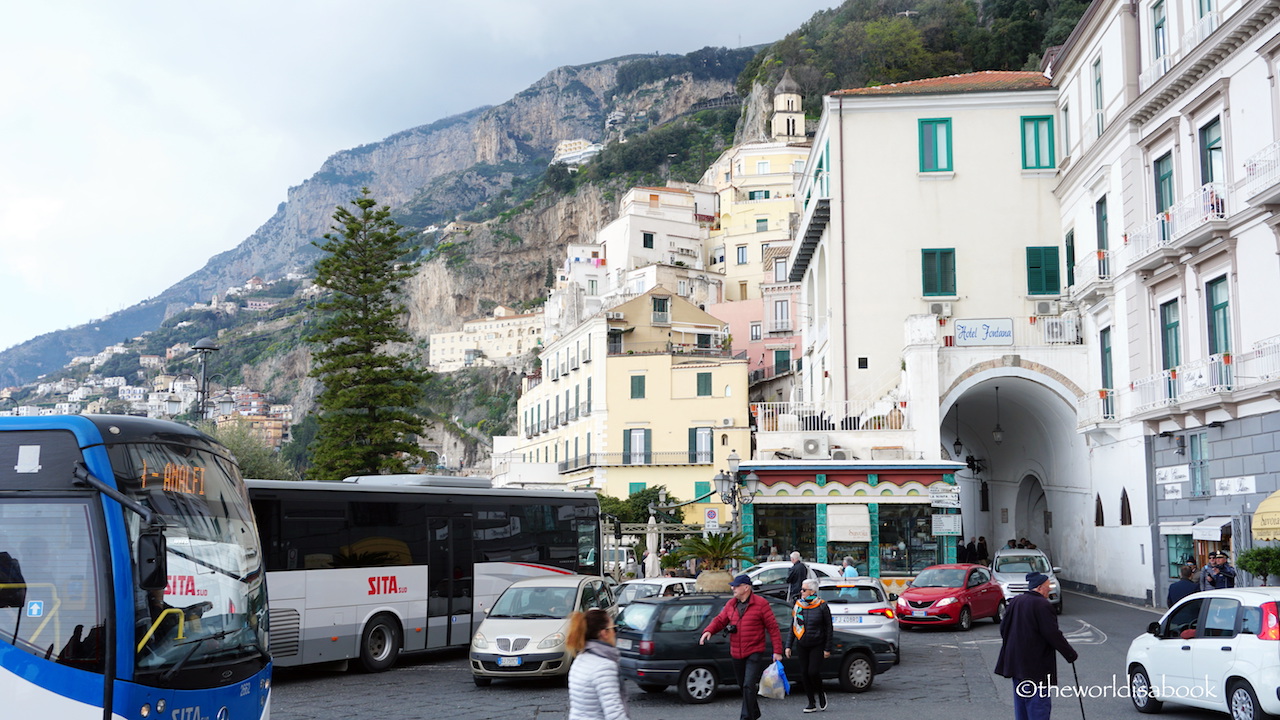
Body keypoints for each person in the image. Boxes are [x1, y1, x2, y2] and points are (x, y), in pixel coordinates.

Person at [994, 572, 1079, 720]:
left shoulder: (1016, 601)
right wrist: (1070, 654)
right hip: (1036, 664)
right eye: (1048, 587)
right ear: (1039, 588)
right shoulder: (1042, 605)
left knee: (1021, 703)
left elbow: (1004, 628)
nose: (1050, 590)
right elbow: (1052, 633)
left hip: (1016, 662)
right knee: (1038, 706)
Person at [700, 574, 783, 720]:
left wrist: (777, 651)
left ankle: (745, 717)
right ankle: (755, 712)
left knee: (748, 685)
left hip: (754, 650)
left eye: (736, 586)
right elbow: (720, 620)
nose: (733, 588)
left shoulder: (761, 604)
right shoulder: (731, 604)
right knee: (743, 686)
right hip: (736, 652)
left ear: (746, 587)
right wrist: (709, 630)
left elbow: (773, 628)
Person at [567, 608, 629, 720]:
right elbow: (615, 714)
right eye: (613, 628)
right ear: (604, 633)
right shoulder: (604, 667)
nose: (615, 633)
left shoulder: (580, 659)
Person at [785, 578, 834, 713]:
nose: (801, 592)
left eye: (804, 590)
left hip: (817, 643)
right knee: (804, 674)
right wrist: (788, 645)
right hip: (802, 643)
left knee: (813, 671)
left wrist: (827, 648)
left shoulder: (822, 606)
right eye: (802, 589)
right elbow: (793, 626)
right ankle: (811, 702)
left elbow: (829, 628)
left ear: (812, 591)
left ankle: (820, 692)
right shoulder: (798, 605)